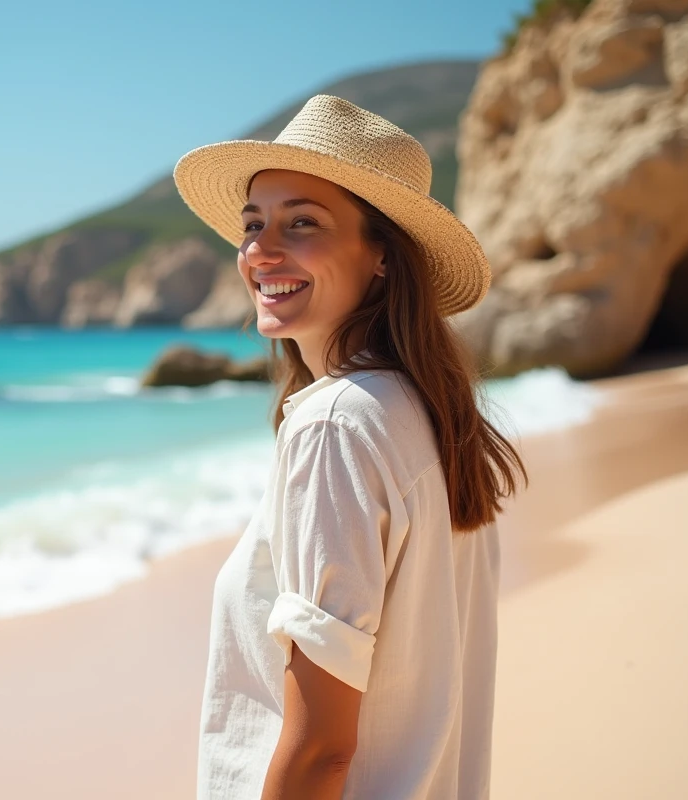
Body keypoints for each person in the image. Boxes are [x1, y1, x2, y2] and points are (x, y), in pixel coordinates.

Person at [172, 94, 529, 799]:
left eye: (302, 223)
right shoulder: (425, 412)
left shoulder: (335, 424)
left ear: (383, 259)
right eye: (253, 224)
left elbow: (321, 751)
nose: (260, 251)